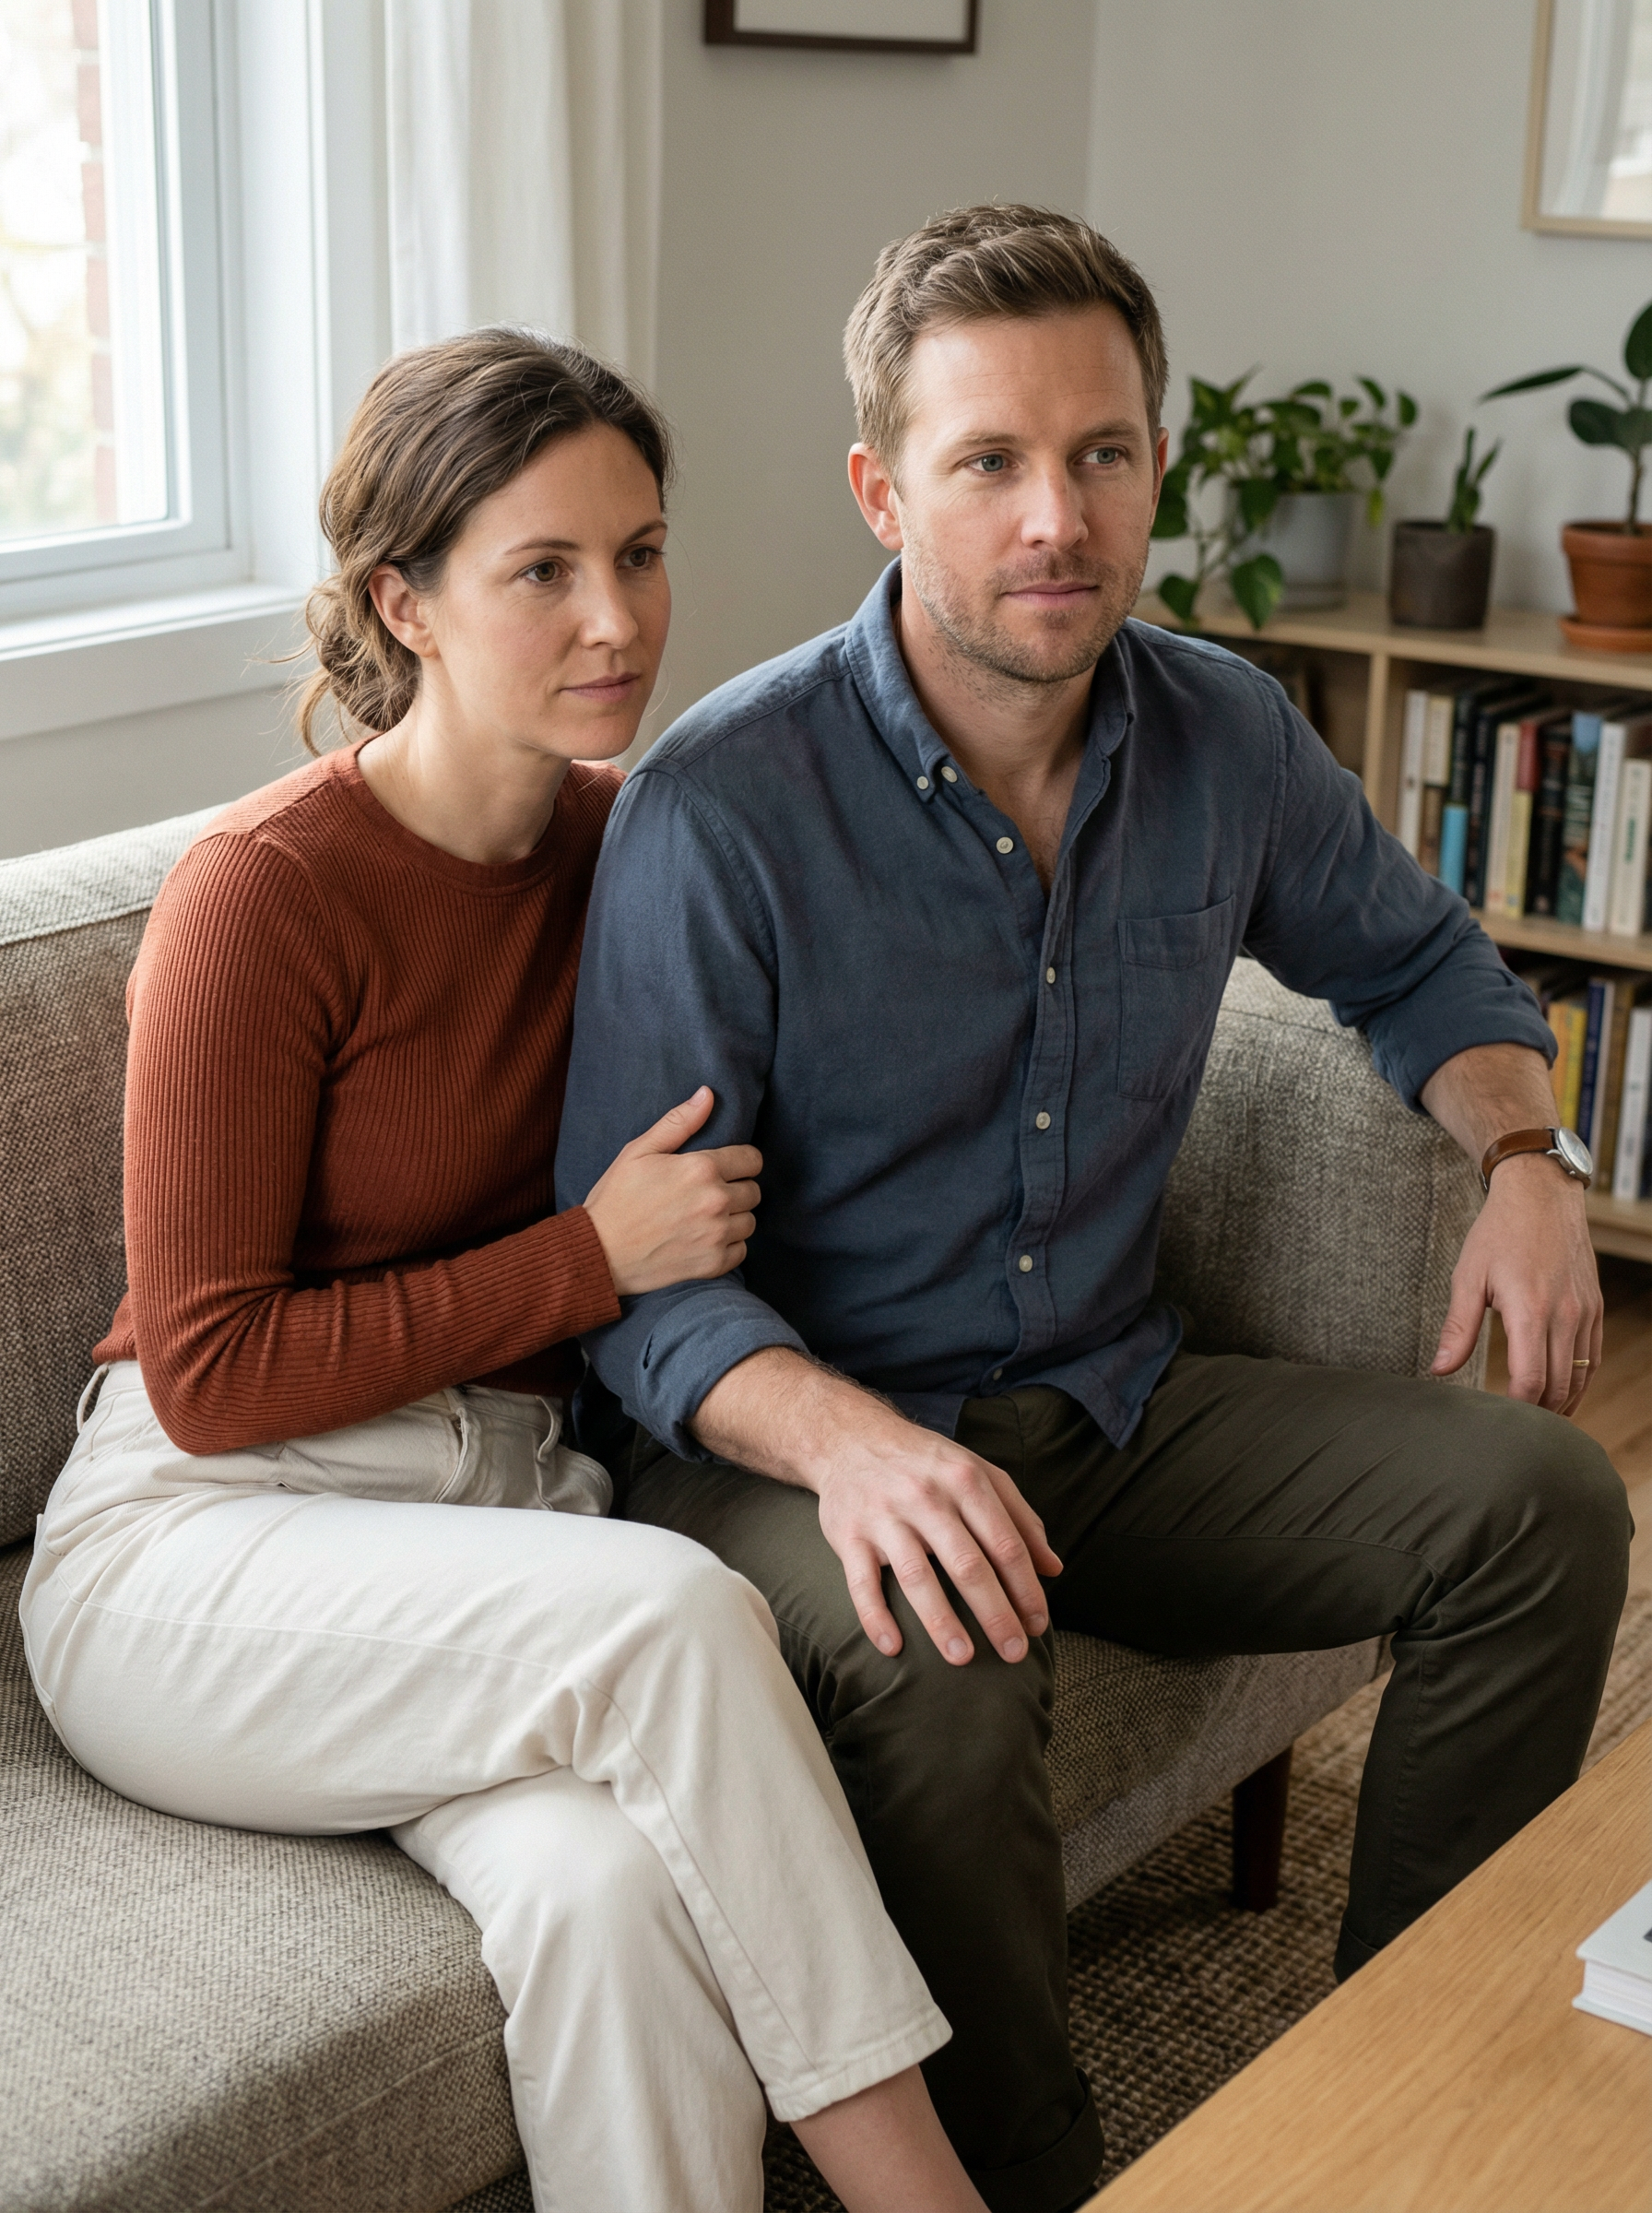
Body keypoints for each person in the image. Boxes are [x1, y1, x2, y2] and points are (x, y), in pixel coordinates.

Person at [555, 206, 1633, 2213]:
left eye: (1102, 453)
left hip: (1107, 1405)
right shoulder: (723, 807)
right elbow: (636, 1295)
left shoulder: (1224, 734)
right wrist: (854, 1447)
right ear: (884, 492)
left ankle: (1402, 2073)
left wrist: (1518, 1163)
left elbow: (1419, 965)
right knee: (944, 1652)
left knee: (1541, 1504)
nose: (1057, 518)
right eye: (989, 461)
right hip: (793, 1448)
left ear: (1156, 462)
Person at [18, 327, 996, 2213]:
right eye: (541, 569)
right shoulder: (261, 895)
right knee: (678, 1620)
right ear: (408, 603)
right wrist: (584, 1259)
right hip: (200, 1547)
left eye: (638, 553)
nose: (614, 618)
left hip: (490, 1531)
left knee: (607, 1895)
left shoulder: (642, 850)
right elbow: (209, 1377)